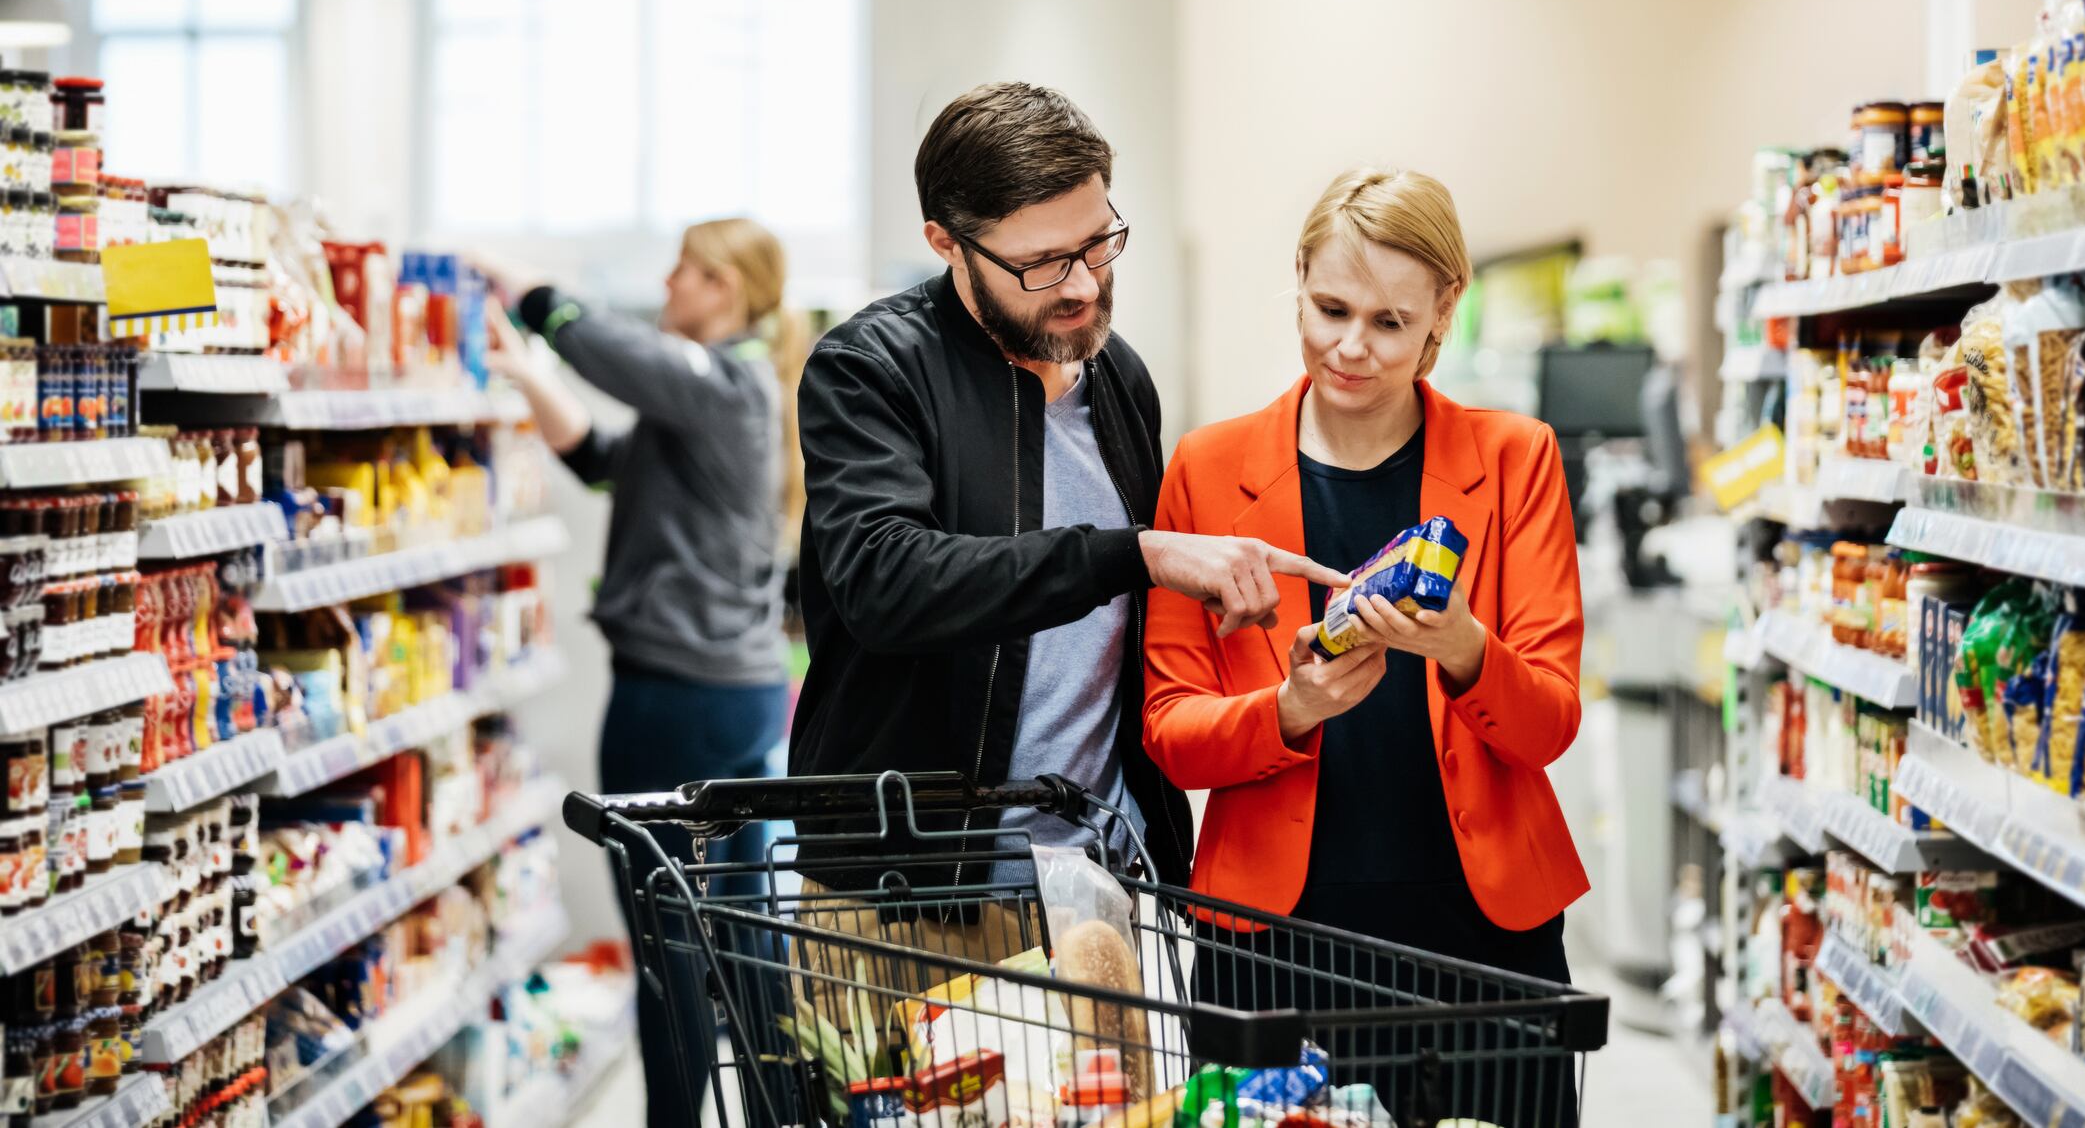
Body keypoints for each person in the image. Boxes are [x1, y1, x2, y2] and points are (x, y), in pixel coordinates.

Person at [792, 81, 1347, 927]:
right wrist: (1137, 552)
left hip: (1093, 881)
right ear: (947, 242)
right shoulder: (872, 369)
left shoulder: (1119, 379)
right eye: (1043, 263)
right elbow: (885, 581)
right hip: (910, 897)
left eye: (1099, 244)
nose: (1084, 285)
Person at [1141, 168, 1588, 1126]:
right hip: (1272, 938)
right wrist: (1290, 710)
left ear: (1442, 316)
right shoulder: (1208, 471)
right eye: (1329, 307)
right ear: (1297, 278)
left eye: (1389, 322)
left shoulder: (1516, 459)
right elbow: (1170, 730)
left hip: (1481, 934)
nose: (1350, 348)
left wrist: (1466, 647)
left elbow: (1548, 725)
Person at [478, 218, 805, 1128]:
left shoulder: (724, 379)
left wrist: (533, 290)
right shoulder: (727, 397)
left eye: (690, 271)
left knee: (668, 948)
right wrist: (532, 376)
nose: (669, 284)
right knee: (742, 940)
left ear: (730, 290)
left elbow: (617, 359)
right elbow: (605, 461)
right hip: (734, 697)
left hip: (677, 699)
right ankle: (781, 1113)